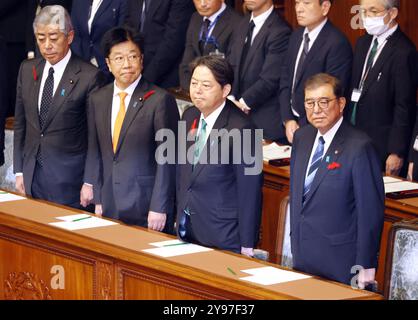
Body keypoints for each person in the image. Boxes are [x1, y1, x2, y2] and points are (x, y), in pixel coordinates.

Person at [289, 73, 384, 288]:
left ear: (341, 103)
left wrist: (365, 266)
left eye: (324, 102)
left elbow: (370, 212)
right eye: (310, 103)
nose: (316, 110)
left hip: (341, 261)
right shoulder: (301, 138)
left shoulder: (359, 146)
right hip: (302, 256)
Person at [84, 27, 179, 233]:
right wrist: (99, 198)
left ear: (141, 60)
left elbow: (169, 159)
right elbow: (96, 151)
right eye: (119, 58)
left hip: (146, 207)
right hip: (109, 201)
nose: (127, 64)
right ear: (108, 64)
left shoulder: (160, 100)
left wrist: (159, 206)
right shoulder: (97, 99)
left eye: (132, 56)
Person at [13, 5, 105, 209]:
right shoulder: (27, 70)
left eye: (54, 38)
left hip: (70, 181)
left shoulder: (89, 76)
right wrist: (19, 170)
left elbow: (95, 136)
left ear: (70, 37)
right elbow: (21, 124)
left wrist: (89, 181)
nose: (47, 46)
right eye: (40, 38)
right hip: (31, 175)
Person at [176, 55, 263, 256]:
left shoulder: (243, 129)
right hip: (185, 226)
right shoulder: (189, 115)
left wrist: (248, 243)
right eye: (194, 83)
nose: (197, 90)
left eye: (206, 85)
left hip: (222, 234)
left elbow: (250, 191)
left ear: (225, 90)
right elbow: (184, 173)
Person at [347, 0, 417, 176]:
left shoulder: (404, 51)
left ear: (392, 13)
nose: (367, 17)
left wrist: (396, 151)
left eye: (373, 11)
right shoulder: (362, 43)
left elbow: (404, 106)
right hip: (354, 137)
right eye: (363, 12)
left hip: (381, 144)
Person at [280, 0, 352, 144]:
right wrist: (288, 119)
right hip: (291, 126)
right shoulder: (296, 36)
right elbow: (286, 80)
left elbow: (331, 96)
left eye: (306, 3)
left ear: (325, 7)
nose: (299, 9)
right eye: (297, 3)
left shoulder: (337, 43)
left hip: (317, 129)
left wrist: (304, 128)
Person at [227, 0, 291, 142]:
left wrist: (242, 103)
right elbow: (231, 65)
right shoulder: (241, 24)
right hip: (235, 116)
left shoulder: (280, 30)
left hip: (264, 121)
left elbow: (270, 79)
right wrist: (230, 98)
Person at [124, 0, 195, 88]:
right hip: (134, 70)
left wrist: (145, 79)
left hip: (163, 76)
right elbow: (128, 26)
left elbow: (173, 41)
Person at [179, 0, 241, 91]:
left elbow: (233, 68)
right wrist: (192, 89)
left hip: (220, 91)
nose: (203, 3)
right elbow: (186, 62)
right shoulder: (195, 17)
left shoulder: (238, 22)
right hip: (194, 91)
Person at [71, 0, 127, 78]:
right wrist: (80, 62)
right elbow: (74, 35)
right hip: (81, 64)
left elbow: (120, 36)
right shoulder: (79, 2)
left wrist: (107, 64)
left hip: (107, 66)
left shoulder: (121, 2)